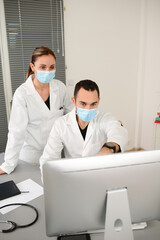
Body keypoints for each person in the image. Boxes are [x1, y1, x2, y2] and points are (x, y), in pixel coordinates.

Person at [0, 46, 73, 175]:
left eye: (52, 67)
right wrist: (8, 164)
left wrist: (99, 122)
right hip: (31, 158)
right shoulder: (22, 93)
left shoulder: (60, 87)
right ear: (33, 67)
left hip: (54, 155)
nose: (48, 71)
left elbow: (73, 115)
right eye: (43, 67)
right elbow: (16, 132)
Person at [40, 79, 128, 171]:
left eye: (93, 104)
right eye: (83, 104)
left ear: (99, 101)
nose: (88, 109)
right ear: (74, 101)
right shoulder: (61, 124)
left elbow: (118, 133)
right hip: (72, 173)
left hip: (99, 172)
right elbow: (48, 158)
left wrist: (108, 149)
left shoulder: (105, 118)